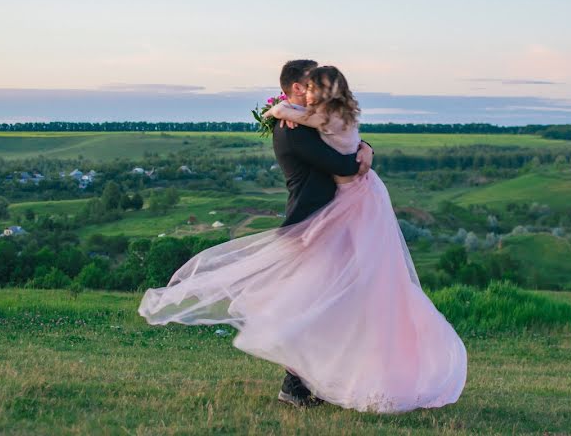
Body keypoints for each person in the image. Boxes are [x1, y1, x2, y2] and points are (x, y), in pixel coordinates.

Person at [138, 61, 467, 414]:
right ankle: (295, 384)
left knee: (337, 302)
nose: (312, 90)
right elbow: (340, 161)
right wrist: (354, 151)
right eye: (308, 84)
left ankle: (311, 381)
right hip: (312, 224)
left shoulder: (307, 118)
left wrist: (366, 147)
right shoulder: (292, 129)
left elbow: (341, 139)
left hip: (338, 218)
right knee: (313, 303)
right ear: (297, 88)